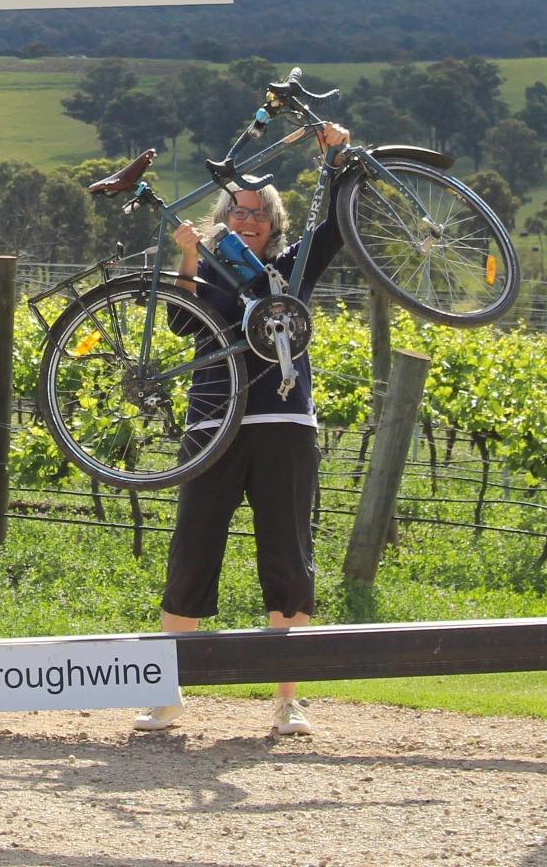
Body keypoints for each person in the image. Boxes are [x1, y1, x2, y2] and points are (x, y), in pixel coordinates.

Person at [134, 120, 350, 740]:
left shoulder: (290, 266)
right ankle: (166, 694)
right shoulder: (209, 264)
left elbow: (332, 229)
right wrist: (189, 254)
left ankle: (287, 702)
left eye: (259, 213)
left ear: (274, 222)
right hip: (211, 423)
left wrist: (334, 158)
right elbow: (179, 326)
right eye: (238, 210)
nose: (249, 220)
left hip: (283, 422)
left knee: (289, 556)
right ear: (223, 217)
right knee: (193, 547)